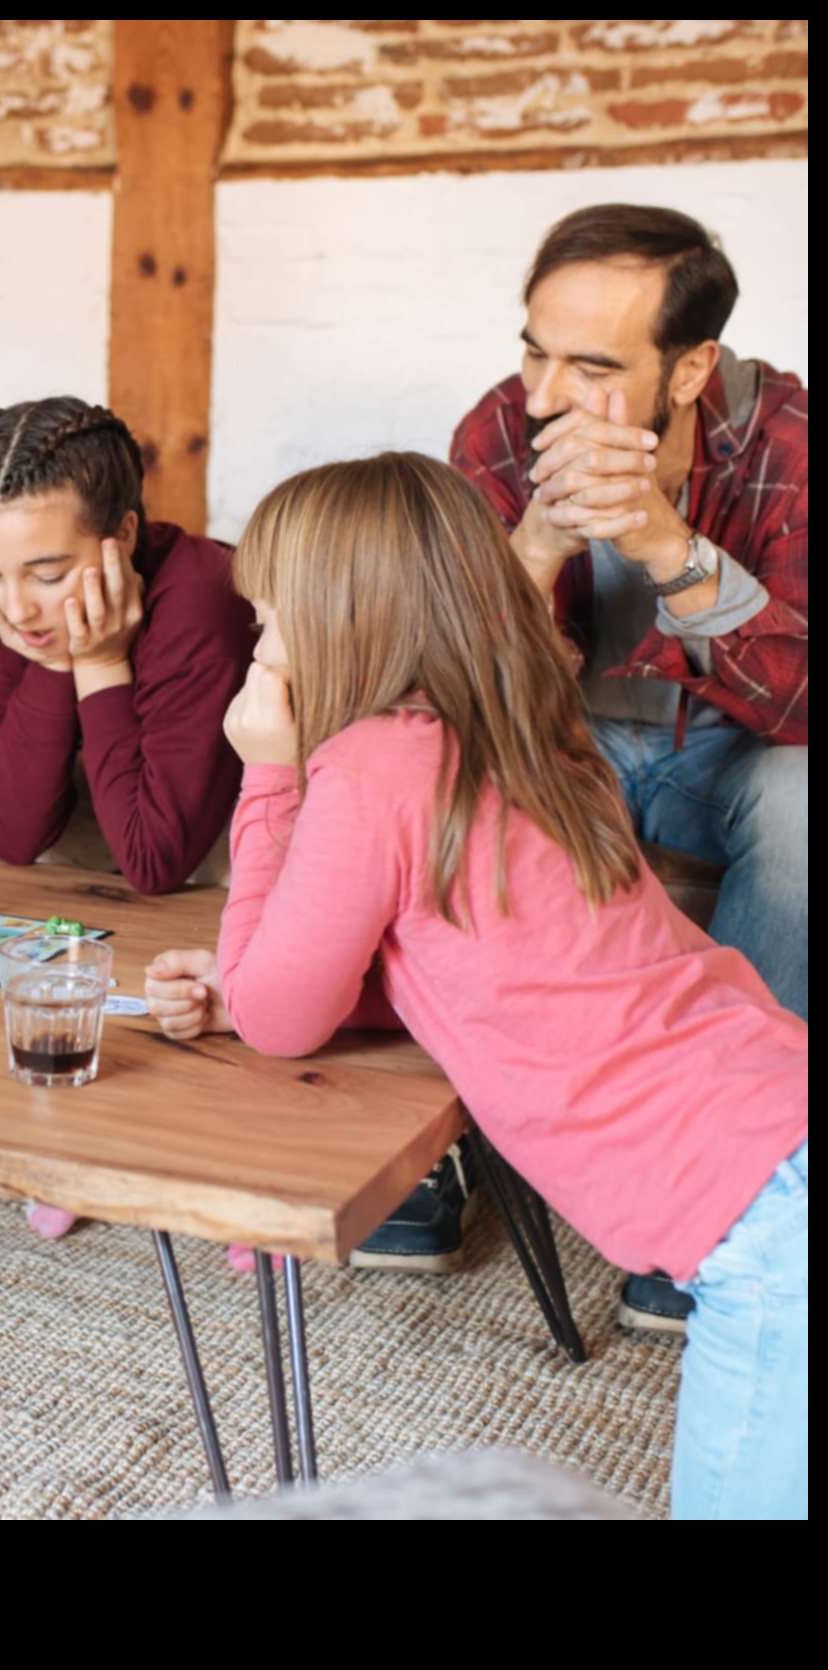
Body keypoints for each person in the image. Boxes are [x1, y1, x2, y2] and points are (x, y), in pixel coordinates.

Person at [144, 451, 807, 1520]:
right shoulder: (532, 735)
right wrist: (243, 979)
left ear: (342, 622)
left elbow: (279, 1020)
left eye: (269, 619)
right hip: (779, 1124)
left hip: (766, 1222)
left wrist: (269, 773)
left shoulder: (369, 766)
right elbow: (469, 963)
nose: (258, 649)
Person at [373, 203, 807, 1330]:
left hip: (737, 757)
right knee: (414, 770)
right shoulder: (499, 434)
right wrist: (535, 547)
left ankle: (737, 1181)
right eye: (533, 348)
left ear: (689, 365)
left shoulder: (788, 443)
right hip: (569, 750)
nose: (546, 393)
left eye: (593, 364)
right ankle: (417, 1152)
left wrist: (667, 542)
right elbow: (445, 685)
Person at [0, 396, 257, 1239]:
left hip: (211, 866)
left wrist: (98, 659)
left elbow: (157, 859)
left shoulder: (200, 595)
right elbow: (11, 836)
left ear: (120, 537)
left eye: (49, 574)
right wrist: (60, 660)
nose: (16, 606)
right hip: (87, 877)